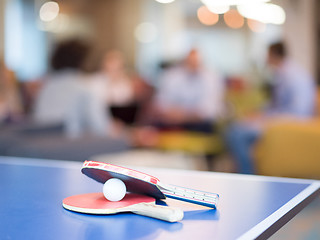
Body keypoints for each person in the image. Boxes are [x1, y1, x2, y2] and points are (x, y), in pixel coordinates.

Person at [225, 41, 316, 174]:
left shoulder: (293, 76)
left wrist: (267, 119)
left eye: (267, 55)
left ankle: (247, 175)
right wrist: (260, 113)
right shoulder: (285, 73)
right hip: (280, 120)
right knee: (238, 126)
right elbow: (278, 104)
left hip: (290, 125)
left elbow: (298, 113)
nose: (265, 59)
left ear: (273, 55)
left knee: (236, 134)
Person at [133, 48, 225, 146]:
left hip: (199, 124)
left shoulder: (211, 78)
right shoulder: (172, 76)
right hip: (172, 121)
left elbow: (208, 110)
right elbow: (161, 103)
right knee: (148, 126)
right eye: (190, 62)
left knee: (209, 127)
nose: (193, 65)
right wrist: (174, 114)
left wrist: (183, 115)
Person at [33, 39, 111, 138]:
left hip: (42, 144)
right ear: (82, 61)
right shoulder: (85, 89)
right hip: (72, 147)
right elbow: (100, 129)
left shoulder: (46, 87)